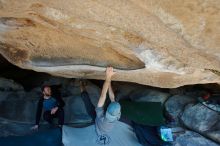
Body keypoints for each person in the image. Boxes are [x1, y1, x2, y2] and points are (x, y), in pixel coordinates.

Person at [80, 67, 121, 135]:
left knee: (86, 101)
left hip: (98, 122)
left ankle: (81, 83)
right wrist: (109, 80)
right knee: (112, 97)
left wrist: (108, 76)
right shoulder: (117, 114)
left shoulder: (101, 118)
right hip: (105, 122)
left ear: (107, 109)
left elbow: (103, 95)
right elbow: (112, 98)